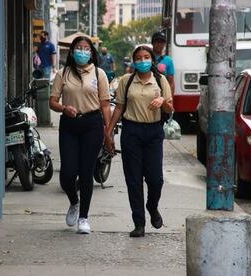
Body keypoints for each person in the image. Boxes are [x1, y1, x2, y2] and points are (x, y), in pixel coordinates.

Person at [105, 45, 174, 237]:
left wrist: (162, 101)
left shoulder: (160, 81)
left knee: (155, 179)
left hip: (154, 132)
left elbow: (170, 109)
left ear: (152, 60)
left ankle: (152, 206)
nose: (142, 60)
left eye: (146, 57)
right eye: (139, 58)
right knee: (133, 180)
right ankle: (139, 223)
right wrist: (108, 133)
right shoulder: (126, 81)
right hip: (131, 131)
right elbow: (118, 108)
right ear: (134, 61)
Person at [49, 36, 112, 234]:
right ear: (72, 51)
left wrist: (108, 132)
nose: (82, 51)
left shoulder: (99, 73)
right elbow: (52, 101)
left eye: (86, 48)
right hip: (69, 125)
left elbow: (105, 104)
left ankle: (83, 217)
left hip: (92, 124)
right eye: (79, 48)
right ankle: (74, 202)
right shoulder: (63, 73)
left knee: (86, 173)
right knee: (67, 174)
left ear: (92, 52)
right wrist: (63, 108)